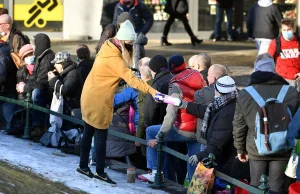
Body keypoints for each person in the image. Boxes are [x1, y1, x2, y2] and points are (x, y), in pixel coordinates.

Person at [77, 20, 158, 185]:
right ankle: (100, 172)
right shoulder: (115, 59)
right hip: (99, 99)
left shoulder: (107, 46)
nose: (131, 47)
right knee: (100, 136)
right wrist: (153, 92)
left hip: (88, 94)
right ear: (122, 42)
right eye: (129, 44)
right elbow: (133, 82)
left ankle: (83, 166)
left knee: (88, 132)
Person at [233, 53, 299, 194]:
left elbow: (239, 125)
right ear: (274, 71)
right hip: (283, 147)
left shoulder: (245, 94)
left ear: (256, 70)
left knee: (256, 185)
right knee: (277, 187)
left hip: (256, 148)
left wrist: (240, 149)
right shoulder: (291, 92)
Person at [139, 55, 207, 182]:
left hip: (183, 129)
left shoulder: (175, 85)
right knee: (193, 161)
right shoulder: (198, 75)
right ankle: (194, 189)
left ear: (171, 69)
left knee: (150, 131)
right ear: (184, 63)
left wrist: (160, 136)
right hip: (199, 128)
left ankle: (154, 171)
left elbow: (170, 114)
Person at [178, 76, 238, 176]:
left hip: (225, 158)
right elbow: (206, 110)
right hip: (223, 155)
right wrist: (184, 105)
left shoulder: (227, 112)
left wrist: (202, 155)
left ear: (219, 91)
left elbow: (218, 139)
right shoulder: (226, 103)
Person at [16, 33, 55, 139]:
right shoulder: (40, 57)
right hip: (43, 89)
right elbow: (34, 77)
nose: (33, 48)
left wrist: (25, 87)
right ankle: (31, 125)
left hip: (48, 92)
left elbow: (41, 82)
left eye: (34, 45)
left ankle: (38, 126)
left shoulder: (47, 59)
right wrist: (24, 84)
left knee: (36, 92)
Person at [113, 0, 153, 69]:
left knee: (136, 47)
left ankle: (136, 68)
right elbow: (114, 21)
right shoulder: (118, 6)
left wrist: (142, 32)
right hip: (122, 35)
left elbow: (149, 18)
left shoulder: (140, 5)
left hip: (135, 34)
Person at [194, 64, 227, 145]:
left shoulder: (205, 92)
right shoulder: (236, 90)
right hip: (227, 137)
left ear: (213, 78)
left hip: (208, 138)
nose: (207, 77)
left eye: (208, 75)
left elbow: (195, 96)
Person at [268, 18, 300, 91]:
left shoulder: (298, 42)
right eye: (284, 30)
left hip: (298, 80)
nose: (286, 32)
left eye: (288, 30)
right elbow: (268, 60)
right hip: (281, 80)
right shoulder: (276, 43)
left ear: (293, 29)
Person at [144, 55, 172, 128]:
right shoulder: (174, 79)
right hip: (173, 124)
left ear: (152, 69)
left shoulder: (156, 86)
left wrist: (148, 127)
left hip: (158, 127)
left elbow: (150, 111)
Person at [0, 40, 18, 132]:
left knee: (8, 114)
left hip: (7, 89)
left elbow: (1, 75)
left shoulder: (3, 52)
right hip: (6, 89)